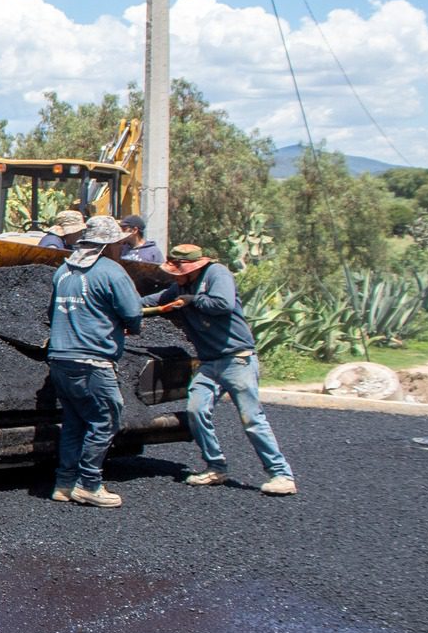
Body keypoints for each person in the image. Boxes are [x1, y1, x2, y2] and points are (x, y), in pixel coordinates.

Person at [144, 243, 297, 495]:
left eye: (177, 271)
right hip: (209, 363)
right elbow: (158, 301)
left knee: (252, 419)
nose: (173, 277)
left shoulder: (217, 275)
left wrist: (192, 301)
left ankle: (281, 474)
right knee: (196, 410)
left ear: (192, 267)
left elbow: (223, 304)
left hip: (237, 359)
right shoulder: (181, 286)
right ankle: (215, 466)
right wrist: (126, 307)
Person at [46, 213, 146, 508]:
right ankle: (89, 483)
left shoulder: (62, 272)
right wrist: (130, 326)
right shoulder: (112, 272)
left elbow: (52, 314)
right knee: (105, 419)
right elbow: (134, 314)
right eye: (117, 244)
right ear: (108, 245)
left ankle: (64, 483)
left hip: (60, 358)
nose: (120, 248)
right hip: (93, 360)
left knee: (75, 421)